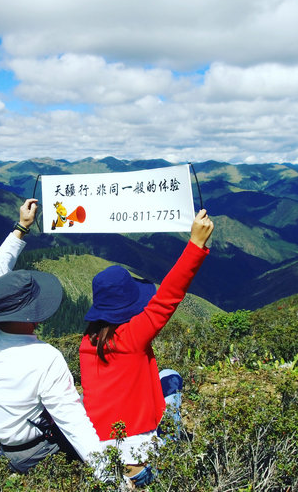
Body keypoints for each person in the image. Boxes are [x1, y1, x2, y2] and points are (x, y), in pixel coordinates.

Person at [79, 208, 214, 486]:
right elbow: (169, 296)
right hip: (141, 467)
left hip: (102, 461)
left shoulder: (88, 341)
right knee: (171, 380)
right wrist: (196, 245)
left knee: (163, 379)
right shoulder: (133, 336)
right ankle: (172, 448)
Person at [0, 198, 103, 474]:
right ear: (32, 314)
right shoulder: (45, 358)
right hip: (29, 454)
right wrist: (111, 475)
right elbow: (73, 423)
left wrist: (21, 228)